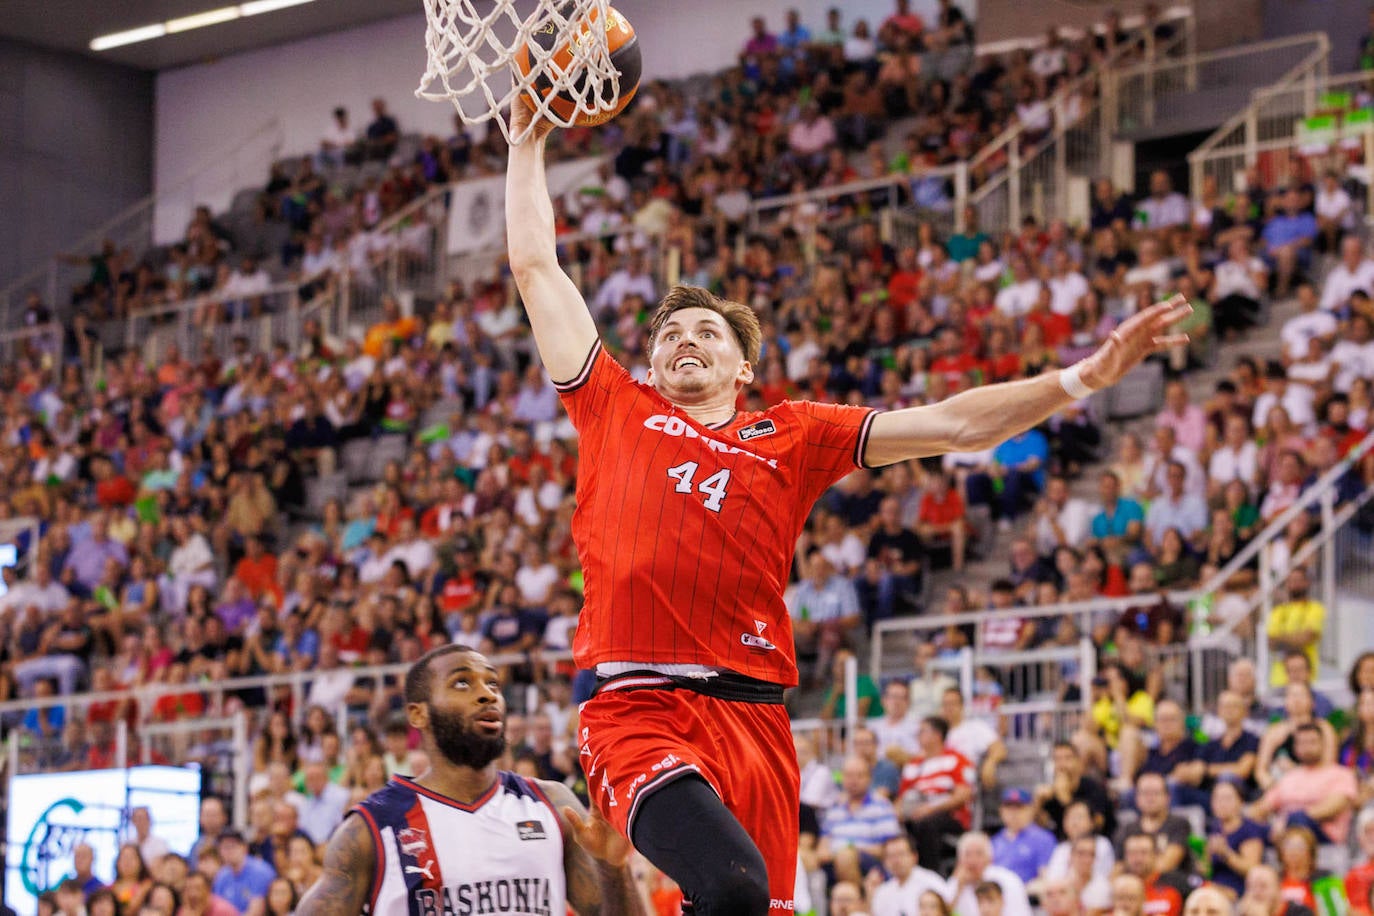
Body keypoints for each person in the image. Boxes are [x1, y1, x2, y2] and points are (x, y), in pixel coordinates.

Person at [505, 99, 1193, 916]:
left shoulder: (793, 435)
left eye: (707, 332)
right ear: (650, 365)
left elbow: (955, 424)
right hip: (639, 704)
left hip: (758, 718)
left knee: (748, 903)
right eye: (670, 334)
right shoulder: (615, 407)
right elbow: (537, 268)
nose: (685, 339)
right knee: (731, 886)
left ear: (744, 367)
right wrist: (527, 142)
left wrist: (1081, 378)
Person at [295, 646, 642, 916]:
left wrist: (614, 869)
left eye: (493, 683)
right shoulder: (372, 828)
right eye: (462, 682)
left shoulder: (552, 804)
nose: (487, 694)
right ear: (418, 713)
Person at [871, 835, 945, 916]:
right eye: (891, 856)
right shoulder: (882, 891)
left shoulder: (932, 882)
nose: (896, 861)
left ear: (914, 856)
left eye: (901, 854)